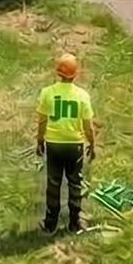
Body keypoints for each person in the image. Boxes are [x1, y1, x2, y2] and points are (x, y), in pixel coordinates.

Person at [34, 53, 97, 235]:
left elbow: (42, 121)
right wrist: (92, 144)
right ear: (75, 74)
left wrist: (40, 140)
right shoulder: (82, 96)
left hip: (53, 144)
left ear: (58, 73)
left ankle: (50, 223)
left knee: (53, 183)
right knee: (75, 182)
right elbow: (88, 126)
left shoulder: (47, 93)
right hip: (74, 145)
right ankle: (74, 222)